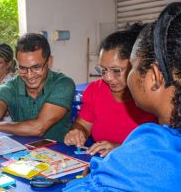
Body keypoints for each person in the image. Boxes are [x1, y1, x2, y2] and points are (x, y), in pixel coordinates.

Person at [41, 2, 181, 192]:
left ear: (155, 76)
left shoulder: (154, 152)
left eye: (132, 67)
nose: (112, 78)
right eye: (103, 70)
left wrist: (99, 177)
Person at [0, 33, 75, 169]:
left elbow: (38, 128)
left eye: (36, 67)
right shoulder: (10, 86)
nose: (29, 75)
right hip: (22, 158)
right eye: (23, 68)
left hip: (61, 159)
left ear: (49, 62)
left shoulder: (63, 84)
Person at [64, 24, 157, 157]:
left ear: (136, 65)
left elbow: (165, 146)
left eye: (116, 71)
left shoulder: (152, 95)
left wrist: (121, 149)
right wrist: (78, 132)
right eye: (102, 70)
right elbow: (82, 124)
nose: (108, 78)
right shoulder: (96, 90)